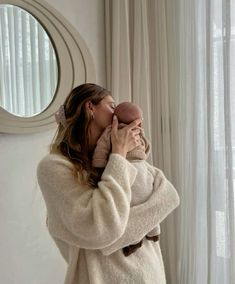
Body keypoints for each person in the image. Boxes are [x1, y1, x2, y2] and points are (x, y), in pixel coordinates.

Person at [37, 83, 180, 284]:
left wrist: (110, 241)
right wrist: (118, 155)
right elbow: (101, 229)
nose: (117, 113)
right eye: (111, 105)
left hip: (150, 274)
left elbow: (169, 196)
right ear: (90, 108)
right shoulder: (54, 167)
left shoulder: (118, 157)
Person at [92, 101, 161, 245]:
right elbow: (146, 146)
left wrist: (99, 163)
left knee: (134, 203)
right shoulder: (125, 132)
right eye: (111, 105)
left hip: (135, 168)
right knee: (146, 201)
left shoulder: (111, 131)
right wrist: (143, 156)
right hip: (136, 168)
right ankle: (151, 232)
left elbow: (101, 148)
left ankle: (139, 237)